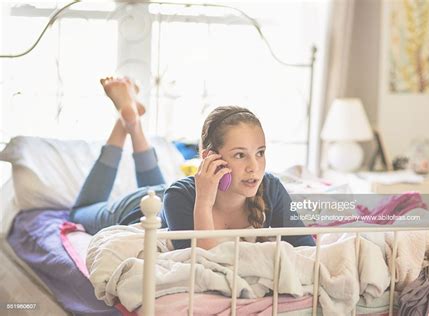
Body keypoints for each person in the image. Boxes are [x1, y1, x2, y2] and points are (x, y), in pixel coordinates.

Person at [70, 77, 315, 250]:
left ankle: (131, 119)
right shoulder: (179, 197)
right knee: (79, 212)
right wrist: (205, 201)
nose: (254, 167)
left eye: (260, 152)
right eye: (240, 155)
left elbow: (307, 250)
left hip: (167, 194)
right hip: (139, 208)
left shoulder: (270, 187)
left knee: (162, 186)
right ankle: (124, 124)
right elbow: (203, 262)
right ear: (210, 157)